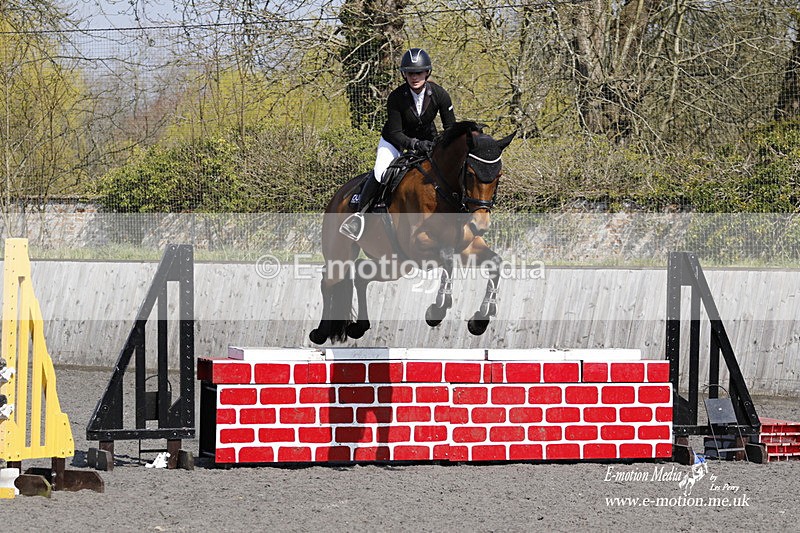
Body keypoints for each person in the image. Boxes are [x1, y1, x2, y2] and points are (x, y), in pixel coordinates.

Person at [340, 47, 456, 240]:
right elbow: (395, 132)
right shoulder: (396, 97)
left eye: (418, 72)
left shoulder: (440, 94)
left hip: (428, 142)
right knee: (381, 172)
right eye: (410, 73)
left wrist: (442, 147)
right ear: (404, 75)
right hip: (395, 141)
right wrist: (415, 144)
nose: (414, 77)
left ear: (427, 72)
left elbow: (450, 128)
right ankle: (359, 217)